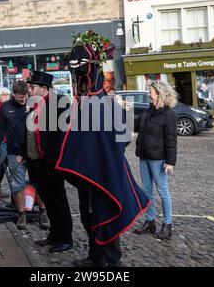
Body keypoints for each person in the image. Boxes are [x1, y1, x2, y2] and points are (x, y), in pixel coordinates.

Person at [56, 31, 150, 267]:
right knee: (89, 216)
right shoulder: (83, 103)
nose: (77, 77)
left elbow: (123, 137)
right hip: (87, 174)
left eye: (81, 70)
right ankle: (95, 257)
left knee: (106, 213)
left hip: (104, 173)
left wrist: (106, 158)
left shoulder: (106, 104)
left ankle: (113, 261)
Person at [19, 71, 73, 253]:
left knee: (58, 199)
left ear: (44, 88)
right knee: (47, 199)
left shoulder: (60, 102)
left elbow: (64, 133)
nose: (29, 90)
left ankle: (65, 238)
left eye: (32, 87)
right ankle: (54, 234)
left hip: (52, 161)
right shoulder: (34, 104)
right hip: (36, 161)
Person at [133, 80, 178, 240]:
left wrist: (170, 162)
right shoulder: (148, 111)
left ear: (159, 94)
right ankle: (150, 221)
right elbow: (135, 125)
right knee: (146, 191)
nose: (148, 95)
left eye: (150, 92)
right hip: (144, 156)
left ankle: (167, 225)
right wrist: (122, 109)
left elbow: (171, 139)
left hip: (158, 159)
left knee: (163, 192)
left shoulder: (169, 114)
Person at [0, 80, 30, 229]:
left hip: (33, 152)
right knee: (18, 185)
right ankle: (21, 214)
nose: (23, 99)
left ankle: (43, 212)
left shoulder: (33, 104)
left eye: (25, 96)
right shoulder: (5, 107)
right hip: (14, 152)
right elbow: (1, 129)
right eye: (20, 97)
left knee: (38, 183)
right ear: (13, 94)